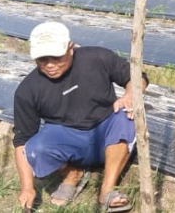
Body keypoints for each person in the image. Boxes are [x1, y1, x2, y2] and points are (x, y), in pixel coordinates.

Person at [13, 21, 148, 212]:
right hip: (68, 137)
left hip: (106, 130)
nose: (50, 65)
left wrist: (129, 97)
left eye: (56, 57)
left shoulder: (97, 58)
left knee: (128, 115)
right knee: (35, 148)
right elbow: (22, 142)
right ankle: (72, 174)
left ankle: (106, 192)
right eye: (43, 59)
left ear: (71, 48)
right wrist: (27, 187)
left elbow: (137, 77)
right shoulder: (28, 90)